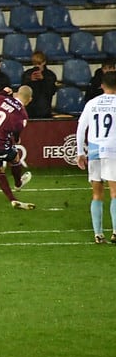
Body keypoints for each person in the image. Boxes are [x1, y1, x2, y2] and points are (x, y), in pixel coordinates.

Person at [0, 85, 35, 210]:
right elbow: (16, 133)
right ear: (29, 99)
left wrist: (1, 92)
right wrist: (16, 138)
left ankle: (13, 200)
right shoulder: (22, 116)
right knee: (15, 157)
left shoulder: (1, 98)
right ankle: (18, 184)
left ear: (16, 93)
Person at [76, 71, 116, 244]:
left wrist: (80, 152)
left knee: (97, 194)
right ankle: (115, 232)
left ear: (101, 85)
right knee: (115, 192)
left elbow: (80, 128)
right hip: (112, 150)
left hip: (94, 150)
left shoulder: (92, 103)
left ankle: (98, 234)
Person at [20, 51, 56, 118]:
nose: (37, 66)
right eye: (35, 63)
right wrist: (30, 80)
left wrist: (43, 79)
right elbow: (23, 90)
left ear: (44, 62)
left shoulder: (50, 75)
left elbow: (51, 91)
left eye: (39, 63)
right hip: (30, 109)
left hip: (44, 109)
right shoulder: (27, 74)